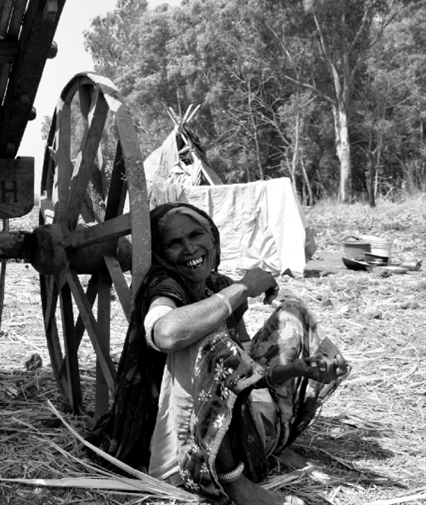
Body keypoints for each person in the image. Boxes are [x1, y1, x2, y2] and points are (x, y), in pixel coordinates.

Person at [90, 202, 349, 505]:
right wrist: (240, 290)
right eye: (174, 243)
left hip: (232, 425)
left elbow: (247, 374)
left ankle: (271, 445)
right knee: (205, 336)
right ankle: (233, 481)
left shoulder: (217, 285)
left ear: (213, 238)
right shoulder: (164, 287)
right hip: (184, 441)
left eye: (196, 235)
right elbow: (168, 333)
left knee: (292, 313)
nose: (189, 248)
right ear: (161, 254)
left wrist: (298, 370)